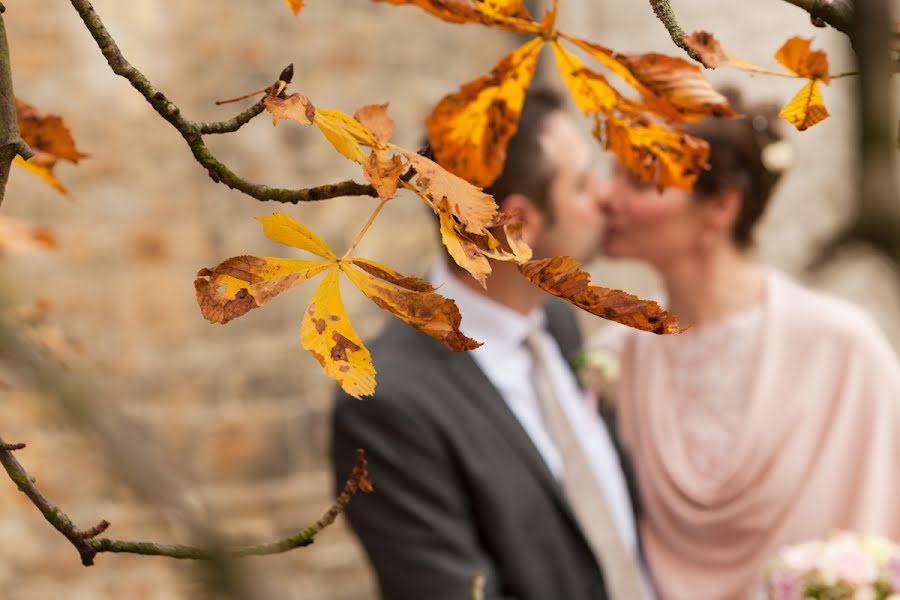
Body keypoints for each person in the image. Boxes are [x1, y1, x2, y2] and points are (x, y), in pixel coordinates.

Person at [331, 87, 653, 600]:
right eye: (582, 183)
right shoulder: (390, 404)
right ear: (517, 224)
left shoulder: (558, 323)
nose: (606, 197)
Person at [590, 93, 900, 599]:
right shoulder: (614, 358)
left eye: (640, 181)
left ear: (720, 206)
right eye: (612, 174)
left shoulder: (843, 350)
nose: (607, 197)